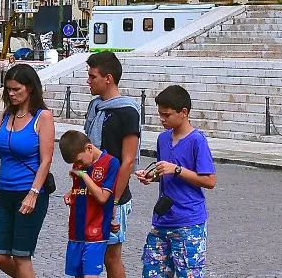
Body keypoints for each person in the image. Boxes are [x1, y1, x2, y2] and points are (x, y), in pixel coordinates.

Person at [0, 63, 56, 278]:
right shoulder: (8, 114)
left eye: (17, 89)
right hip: (4, 193)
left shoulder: (43, 117)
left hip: (29, 194)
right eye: (8, 89)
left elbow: (46, 160)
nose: (11, 93)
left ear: (30, 88)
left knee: (21, 256)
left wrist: (33, 194)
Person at [135, 85, 215, 278]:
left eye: (167, 115)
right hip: (163, 220)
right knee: (152, 272)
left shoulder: (197, 140)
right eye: (160, 114)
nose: (162, 119)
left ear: (184, 113)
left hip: (189, 222)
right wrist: (151, 177)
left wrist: (178, 170)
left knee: (188, 273)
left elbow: (210, 180)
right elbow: (165, 174)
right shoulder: (163, 139)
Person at [83, 52, 141, 278]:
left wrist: (113, 201)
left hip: (114, 194)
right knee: (88, 251)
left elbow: (128, 161)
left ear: (108, 78)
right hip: (91, 190)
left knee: (111, 255)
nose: (88, 81)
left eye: (92, 76)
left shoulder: (127, 111)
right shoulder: (95, 107)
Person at [59, 130, 120, 278]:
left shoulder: (110, 163)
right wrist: (70, 194)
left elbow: (102, 197)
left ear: (89, 148)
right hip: (76, 230)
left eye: (80, 161)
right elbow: (81, 190)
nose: (78, 165)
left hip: (96, 233)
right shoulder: (80, 165)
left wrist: (83, 175)